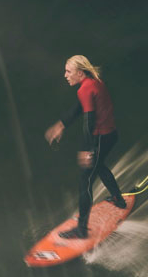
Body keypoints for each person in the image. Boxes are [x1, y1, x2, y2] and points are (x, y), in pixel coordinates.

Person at [44, 55, 126, 240]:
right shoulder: (94, 82)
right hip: (111, 136)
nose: (65, 75)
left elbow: (88, 123)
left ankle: (81, 230)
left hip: (99, 139)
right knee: (99, 165)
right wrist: (61, 125)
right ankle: (118, 199)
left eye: (68, 72)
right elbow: (80, 108)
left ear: (80, 73)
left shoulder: (85, 89)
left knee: (85, 182)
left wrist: (87, 149)